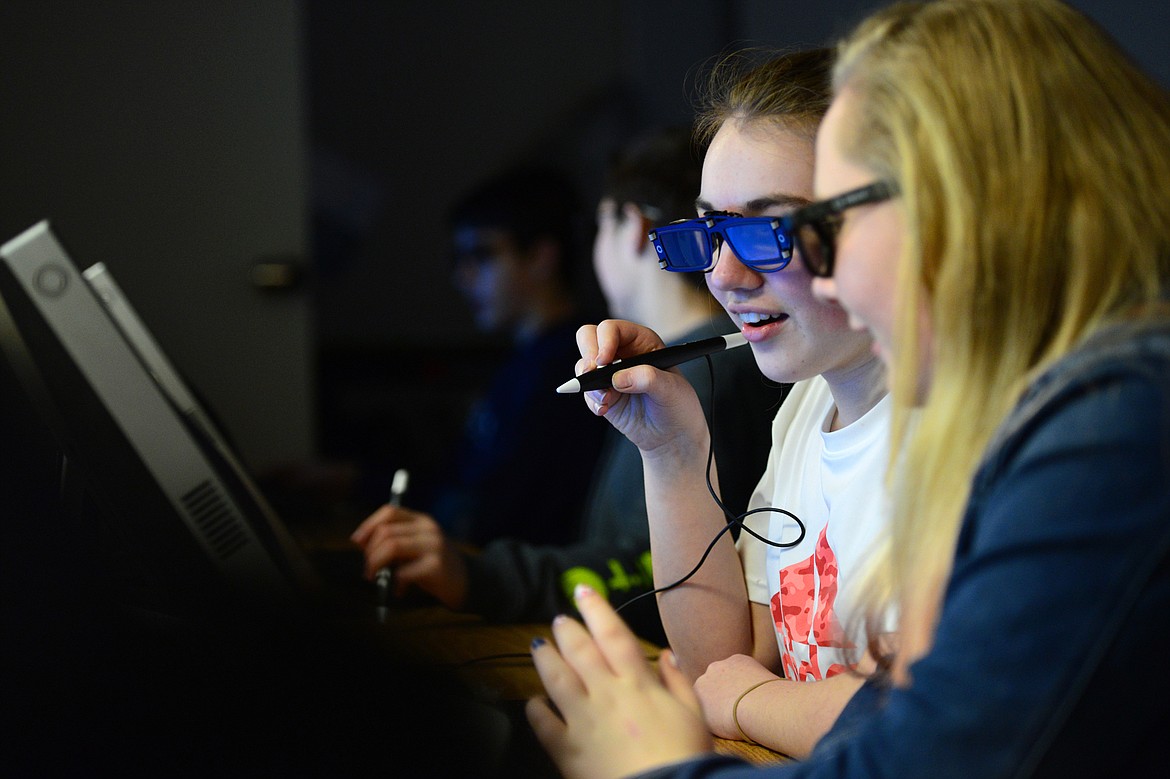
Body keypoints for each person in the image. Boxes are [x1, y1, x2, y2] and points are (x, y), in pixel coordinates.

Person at [524, 1, 1170, 776]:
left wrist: (655, 767)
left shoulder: (1113, 423)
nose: (824, 271)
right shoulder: (1092, 406)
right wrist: (672, 451)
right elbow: (887, 708)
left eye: (825, 223)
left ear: (970, 208)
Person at [543, 48, 892, 758]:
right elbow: (724, 659)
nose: (724, 276)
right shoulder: (805, 406)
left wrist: (752, 700)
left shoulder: (962, 431)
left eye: (766, 231)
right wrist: (671, 450)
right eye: (709, 232)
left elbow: (918, 712)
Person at [351, 127, 784, 642]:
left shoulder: (716, 370)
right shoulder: (684, 363)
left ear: (631, 225)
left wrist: (483, 579)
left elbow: (656, 566)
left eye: (599, 227)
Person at [430, 166, 608, 547]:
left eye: (482, 254)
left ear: (542, 257)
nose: (464, 277)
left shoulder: (570, 367)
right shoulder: (524, 361)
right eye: (459, 259)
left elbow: (510, 514)